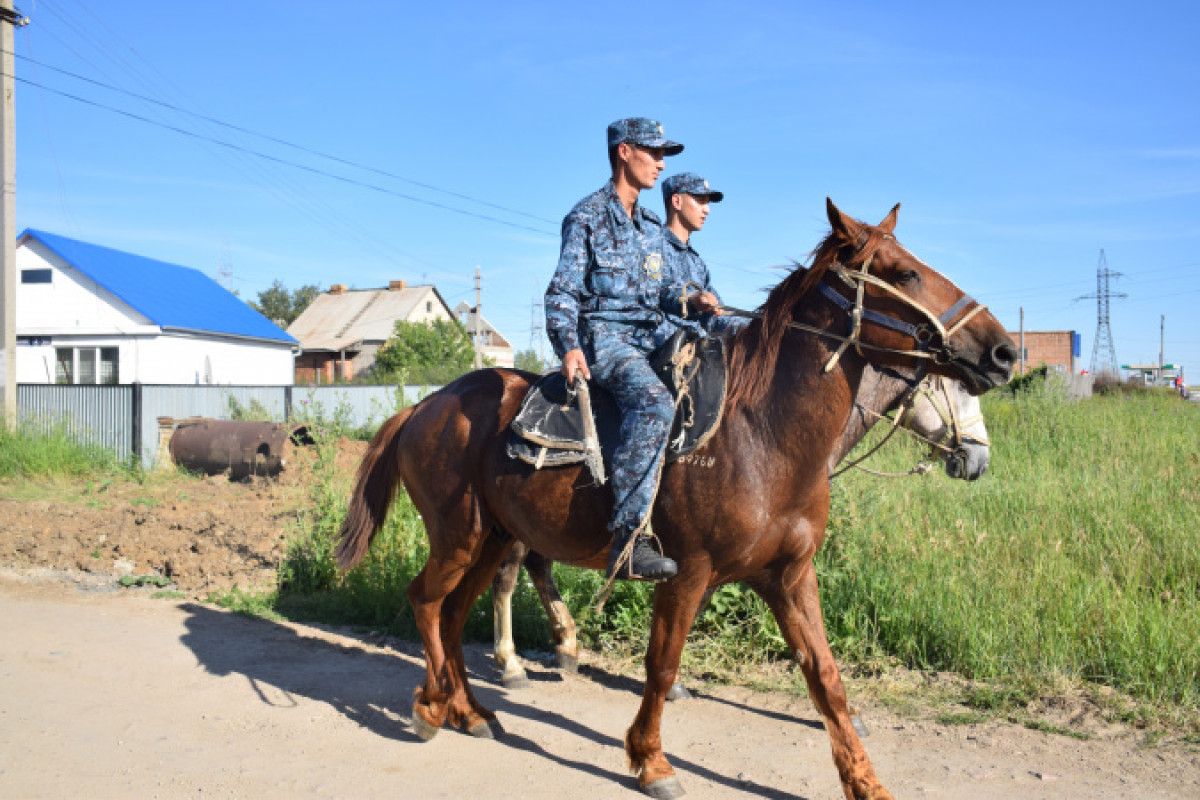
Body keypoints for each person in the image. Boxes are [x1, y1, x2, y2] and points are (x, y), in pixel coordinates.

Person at [544, 117, 699, 583]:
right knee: (653, 403)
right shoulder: (586, 216)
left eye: (664, 154)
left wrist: (692, 300)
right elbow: (562, 292)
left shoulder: (652, 226)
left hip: (650, 333)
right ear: (624, 152)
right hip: (606, 339)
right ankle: (630, 541)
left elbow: (666, 293)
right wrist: (569, 345)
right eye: (653, 152)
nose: (661, 162)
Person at [660, 172, 738, 335]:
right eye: (701, 201)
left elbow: (720, 316)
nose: (707, 210)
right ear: (677, 201)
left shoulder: (697, 263)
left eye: (707, 203)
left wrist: (761, 324)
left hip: (697, 351)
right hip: (657, 350)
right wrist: (692, 299)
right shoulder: (650, 246)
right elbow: (653, 295)